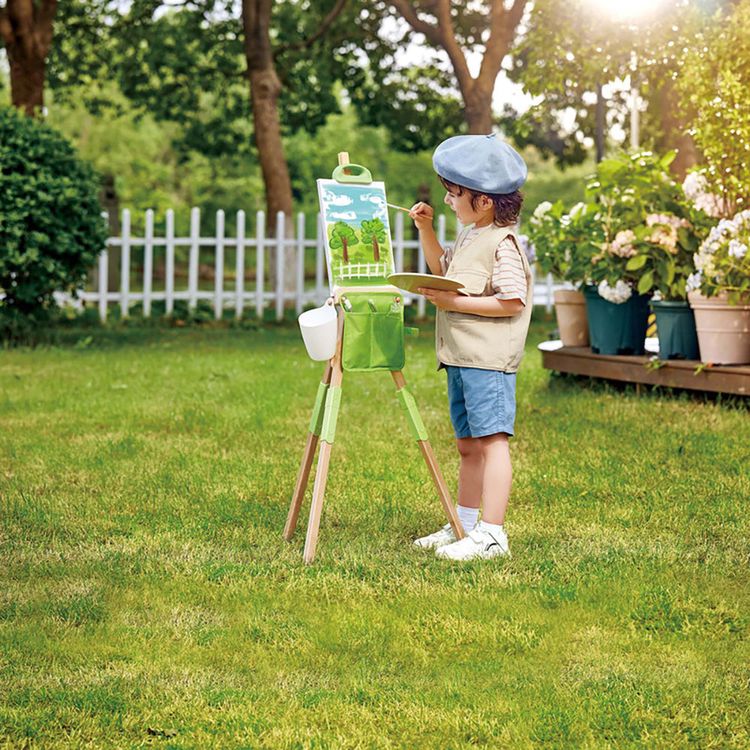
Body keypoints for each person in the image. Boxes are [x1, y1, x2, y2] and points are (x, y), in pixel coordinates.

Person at [409, 133, 532, 561]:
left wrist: (454, 303)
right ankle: (463, 524)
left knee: (492, 441)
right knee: (467, 445)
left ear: (484, 201)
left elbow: (513, 301)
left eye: (454, 193)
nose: (447, 200)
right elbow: (441, 269)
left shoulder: (503, 244)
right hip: (461, 359)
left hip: (488, 362)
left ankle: (493, 535)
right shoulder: (469, 236)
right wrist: (425, 229)